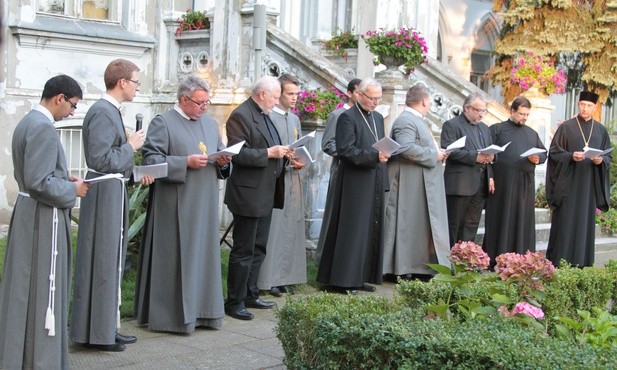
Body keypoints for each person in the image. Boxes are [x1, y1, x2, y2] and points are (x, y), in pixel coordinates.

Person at [0, 75, 89, 369]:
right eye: (73, 106)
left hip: (30, 212)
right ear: (59, 98)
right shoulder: (43, 129)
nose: (73, 113)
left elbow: (36, 174)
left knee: (24, 287)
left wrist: (64, 178)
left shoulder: (28, 122)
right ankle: (40, 359)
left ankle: (20, 355)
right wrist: (72, 190)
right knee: (40, 289)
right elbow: (39, 183)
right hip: (42, 217)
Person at [134, 75, 231, 332]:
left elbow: (219, 151)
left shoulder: (210, 124)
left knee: (204, 257)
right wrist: (183, 162)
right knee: (177, 257)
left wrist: (224, 161)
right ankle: (172, 317)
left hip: (205, 203)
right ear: (183, 99)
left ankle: (205, 314)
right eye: (199, 103)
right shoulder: (163, 123)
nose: (204, 108)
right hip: (175, 203)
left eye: (207, 103)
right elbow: (151, 160)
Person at [71, 59, 153, 352]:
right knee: (103, 261)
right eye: (136, 82)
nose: (137, 87)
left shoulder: (110, 111)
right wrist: (131, 146)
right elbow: (101, 160)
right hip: (104, 196)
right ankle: (96, 332)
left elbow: (111, 163)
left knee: (111, 262)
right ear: (121, 82)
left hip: (112, 192)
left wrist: (136, 173)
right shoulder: (103, 112)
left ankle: (106, 327)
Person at [224, 76, 291, 321]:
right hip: (248, 194)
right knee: (243, 250)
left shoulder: (265, 114)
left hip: (266, 191)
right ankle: (234, 301)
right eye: (274, 97)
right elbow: (237, 155)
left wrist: (283, 154)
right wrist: (269, 153)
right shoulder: (241, 115)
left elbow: (271, 148)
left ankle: (251, 293)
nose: (277, 102)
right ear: (262, 94)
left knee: (259, 247)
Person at [316, 78, 389, 293]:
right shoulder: (347, 118)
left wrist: (383, 157)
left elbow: (379, 143)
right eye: (372, 98)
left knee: (368, 229)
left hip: (373, 178)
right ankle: (342, 280)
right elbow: (346, 151)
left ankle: (360, 276)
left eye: (378, 99)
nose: (375, 103)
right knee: (352, 230)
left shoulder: (377, 117)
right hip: (354, 180)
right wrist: (374, 156)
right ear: (359, 95)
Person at [382, 83, 450, 279]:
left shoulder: (415, 119)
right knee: (404, 225)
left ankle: (414, 267)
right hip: (407, 182)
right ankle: (401, 269)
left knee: (414, 226)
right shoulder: (406, 120)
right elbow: (405, 148)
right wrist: (434, 155)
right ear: (424, 101)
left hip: (418, 181)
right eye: (429, 101)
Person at [546, 91, 611, 267]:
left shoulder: (601, 130)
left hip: (588, 187)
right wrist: (570, 157)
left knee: (584, 224)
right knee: (566, 222)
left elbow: (608, 156)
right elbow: (554, 153)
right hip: (569, 185)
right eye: (582, 104)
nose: (585, 108)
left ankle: (582, 262)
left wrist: (601, 160)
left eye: (589, 106)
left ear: (595, 108)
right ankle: (560, 261)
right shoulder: (566, 127)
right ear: (578, 104)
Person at [257, 74, 307, 297]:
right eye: (290, 94)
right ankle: (269, 279)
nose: (295, 98)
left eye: (297, 94)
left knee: (291, 228)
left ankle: (286, 277)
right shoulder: (269, 117)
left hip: (292, 178)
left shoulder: (294, 119)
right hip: (275, 181)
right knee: (275, 229)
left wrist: (299, 159)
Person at [483, 97, 547, 266]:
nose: (524, 117)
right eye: (521, 114)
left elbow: (543, 154)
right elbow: (487, 155)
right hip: (502, 185)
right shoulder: (497, 130)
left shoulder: (532, 133)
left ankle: (521, 260)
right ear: (512, 111)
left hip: (524, 186)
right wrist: (489, 176)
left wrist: (537, 158)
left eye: (527, 114)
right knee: (501, 220)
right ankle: (497, 259)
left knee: (522, 222)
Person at [315, 78, 361, 262]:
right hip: (342, 167)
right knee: (334, 212)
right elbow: (328, 144)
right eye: (358, 92)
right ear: (350, 93)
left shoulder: (367, 116)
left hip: (361, 171)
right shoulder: (338, 115)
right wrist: (350, 153)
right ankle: (324, 257)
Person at [441, 92, 495, 247]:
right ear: (467, 108)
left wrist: (490, 172)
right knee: (454, 225)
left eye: (484, 111)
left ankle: (466, 260)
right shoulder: (452, 125)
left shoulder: (485, 128)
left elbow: (489, 151)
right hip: (460, 184)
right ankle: (449, 262)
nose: (481, 114)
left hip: (480, 183)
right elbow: (449, 151)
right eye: (478, 110)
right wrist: (474, 157)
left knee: (471, 225)